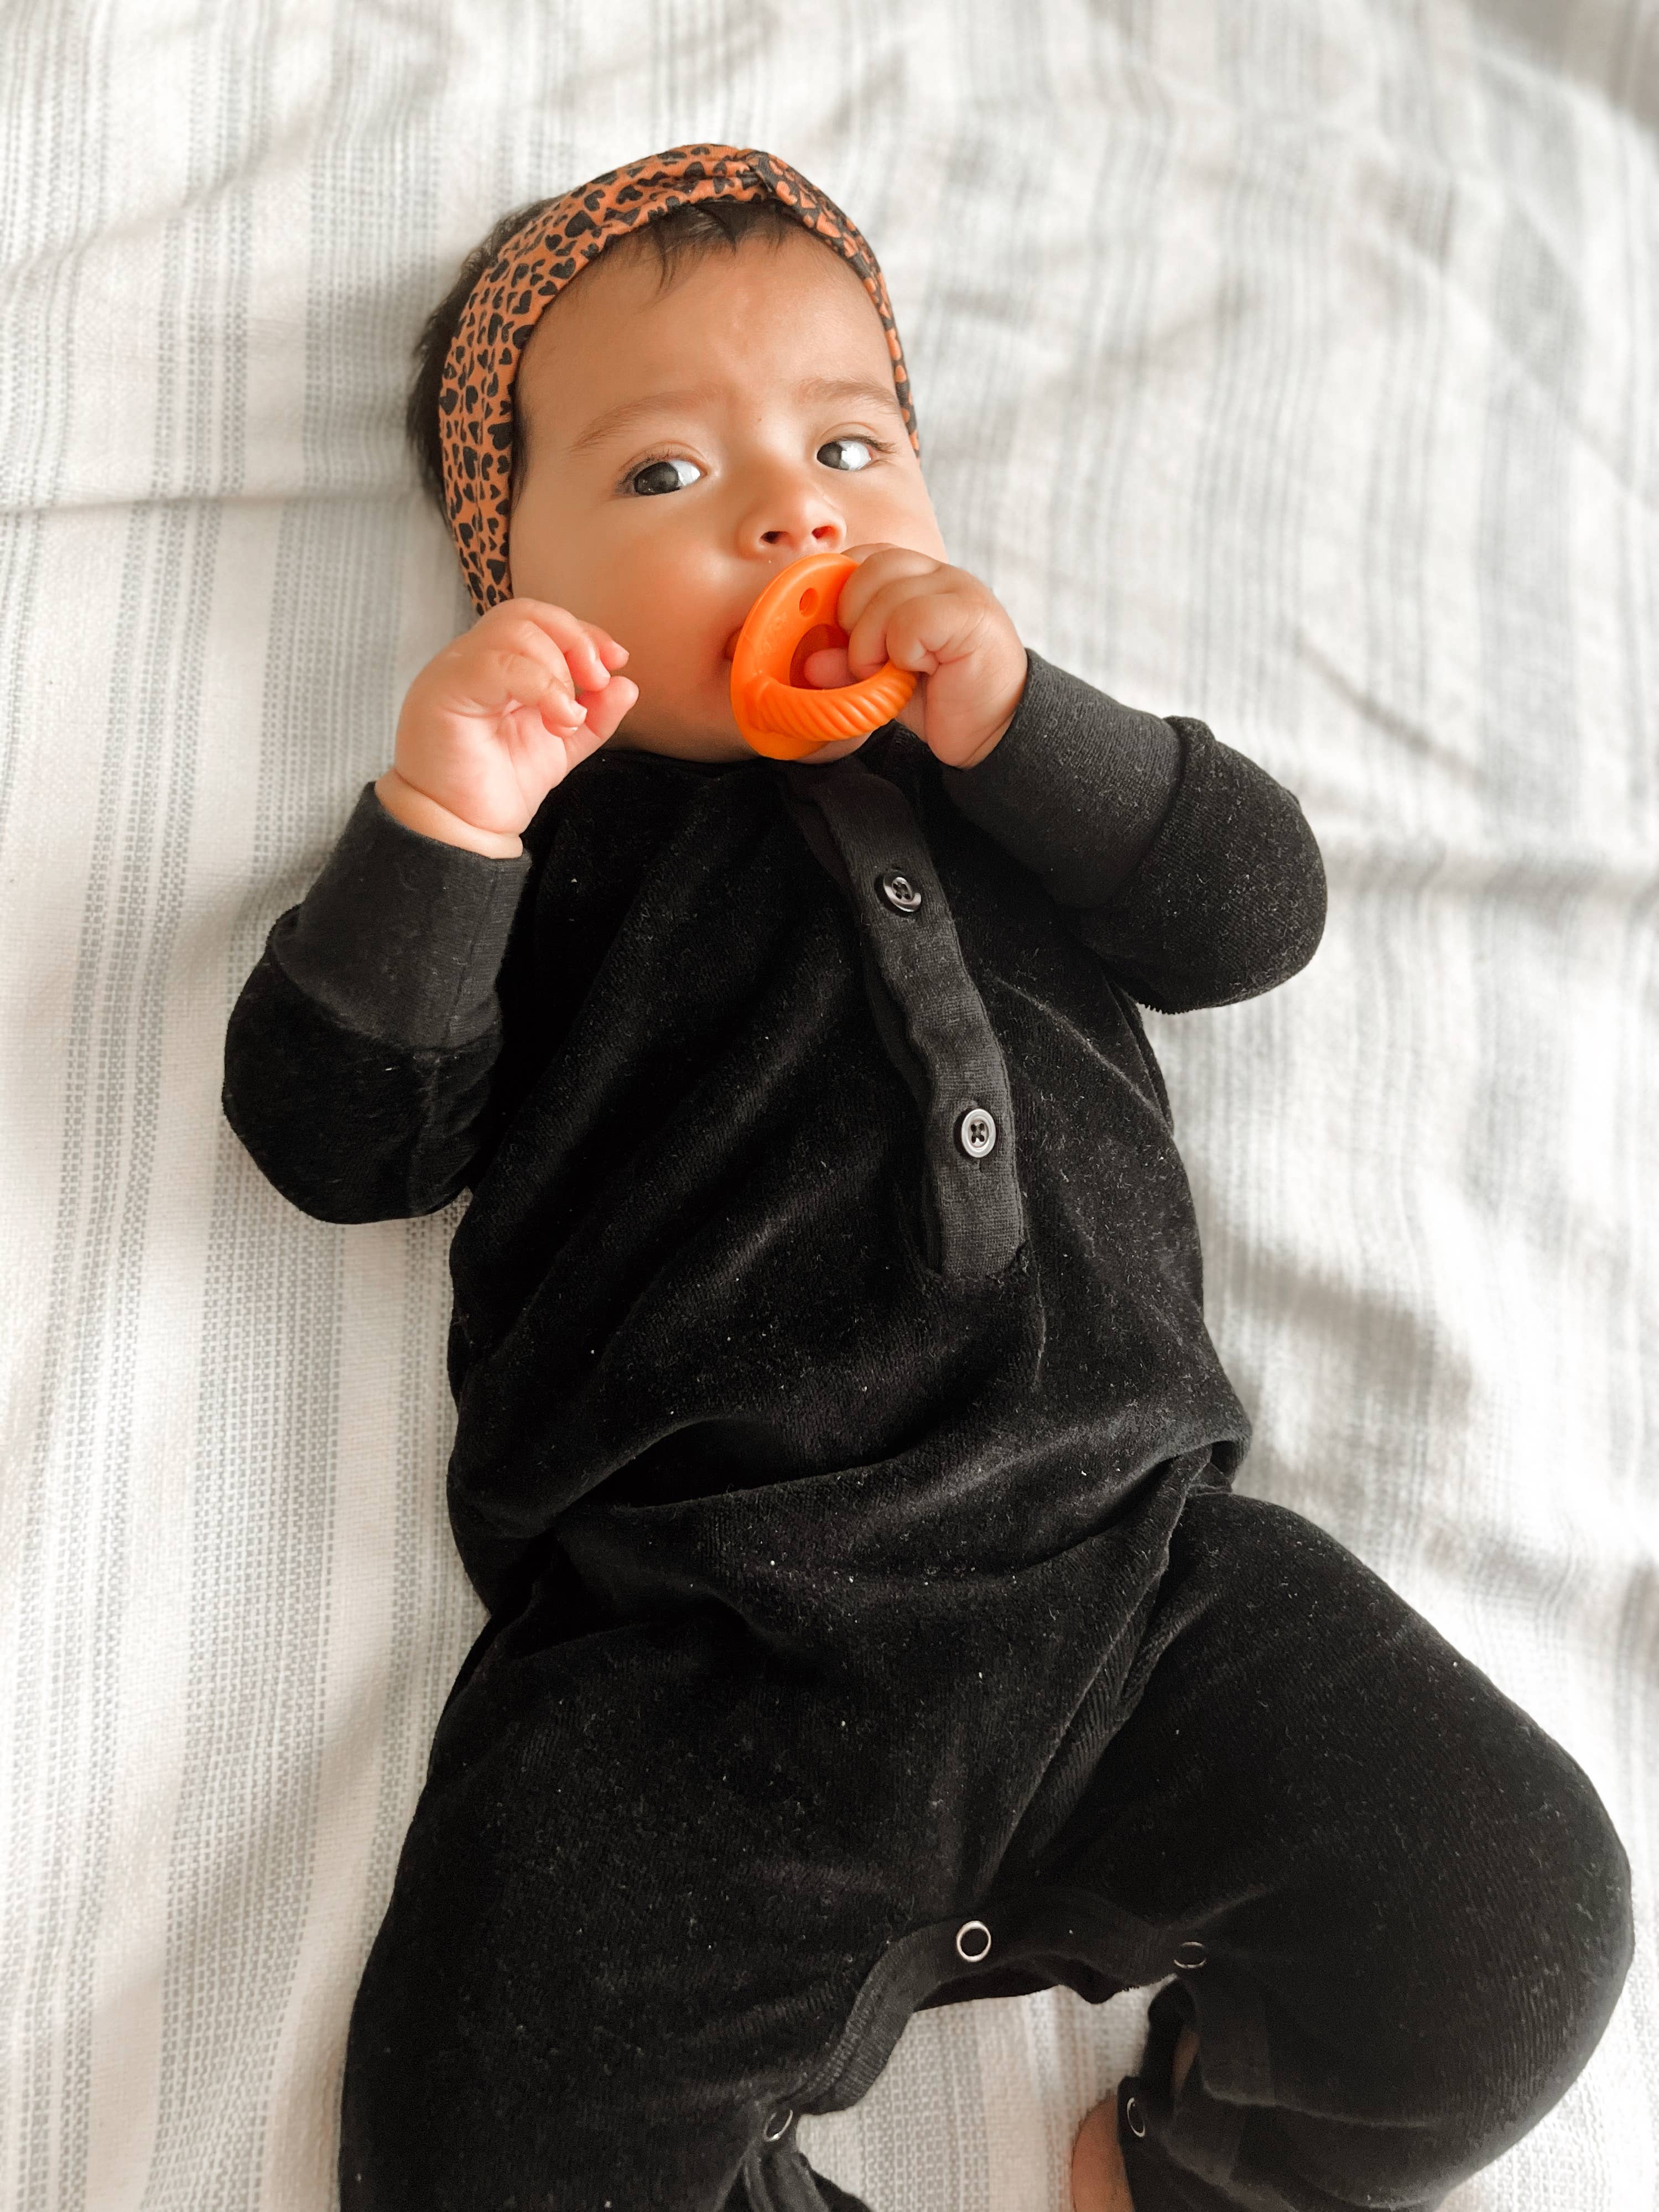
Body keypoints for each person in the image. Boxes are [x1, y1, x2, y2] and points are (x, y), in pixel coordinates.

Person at [222, 144, 1632, 2212]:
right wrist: (446, 813)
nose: (794, 513)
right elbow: (338, 1140)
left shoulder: (1001, 778)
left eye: (850, 446)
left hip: (1129, 1568)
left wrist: (1028, 721)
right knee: (484, 2134)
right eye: (665, 476)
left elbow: (1256, 914)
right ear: (507, 573)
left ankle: (1200, 2171)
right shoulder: (542, 847)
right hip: (704, 1650)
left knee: (1518, 1908)